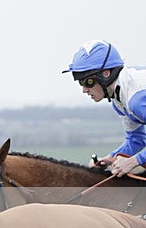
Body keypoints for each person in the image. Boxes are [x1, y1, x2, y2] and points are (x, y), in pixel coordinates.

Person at [63, 40, 146, 176]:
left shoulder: (135, 99)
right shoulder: (119, 99)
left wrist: (133, 161)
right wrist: (110, 158)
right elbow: (137, 138)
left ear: (106, 74)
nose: (84, 90)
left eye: (88, 82)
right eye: (80, 82)